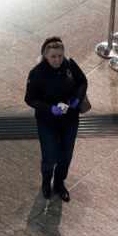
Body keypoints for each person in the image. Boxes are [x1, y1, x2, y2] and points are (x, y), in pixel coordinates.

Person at [24, 37, 88, 202]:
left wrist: (76, 100)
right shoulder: (37, 73)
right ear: (46, 55)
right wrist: (50, 109)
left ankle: (59, 183)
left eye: (60, 55)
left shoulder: (69, 65)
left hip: (70, 120)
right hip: (47, 122)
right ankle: (46, 182)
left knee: (66, 155)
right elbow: (30, 99)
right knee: (50, 155)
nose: (58, 60)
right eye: (53, 56)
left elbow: (82, 81)